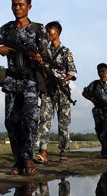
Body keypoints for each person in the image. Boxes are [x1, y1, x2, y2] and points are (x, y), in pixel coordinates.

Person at [0, 0, 48, 175]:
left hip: (30, 82)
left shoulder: (38, 29)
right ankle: (18, 161)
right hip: (12, 82)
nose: (17, 8)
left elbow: (46, 53)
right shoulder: (6, 29)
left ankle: (28, 158)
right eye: (14, 5)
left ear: (29, 7)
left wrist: (40, 58)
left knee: (29, 120)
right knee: (11, 122)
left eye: (21, 4)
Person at [35, 21, 77, 163]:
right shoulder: (43, 51)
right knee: (44, 120)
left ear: (57, 32)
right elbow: (39, 69)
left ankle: (63, 149)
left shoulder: (66, 51)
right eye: (46, 32)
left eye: (50, 32)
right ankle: (43, 151)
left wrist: (63, 81)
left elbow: (72, 72)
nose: (47, 34)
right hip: (47, 90)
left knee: (63, 122)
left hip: (63, 91)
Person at [82, 63, 107, 159]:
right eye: (99, 71)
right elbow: (84, 93)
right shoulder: (94, 84)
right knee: (99, 131)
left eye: (103, 71)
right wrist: (92, 100)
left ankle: (105, 151)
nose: (101, 73)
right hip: (98, 111)